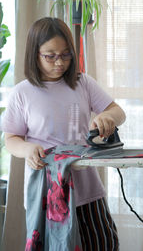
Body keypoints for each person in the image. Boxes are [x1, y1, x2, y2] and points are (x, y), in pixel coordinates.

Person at [2, 17, 126, 250]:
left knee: (103, 242)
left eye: (66, 54)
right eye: (50, 56)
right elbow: (11, 139)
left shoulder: (83, 84)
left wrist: (108, 117)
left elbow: (118, 111)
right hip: (46, 191)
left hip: (86, 185)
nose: (59, 62)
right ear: (34, 54)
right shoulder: (22, 93)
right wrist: (28, 149)